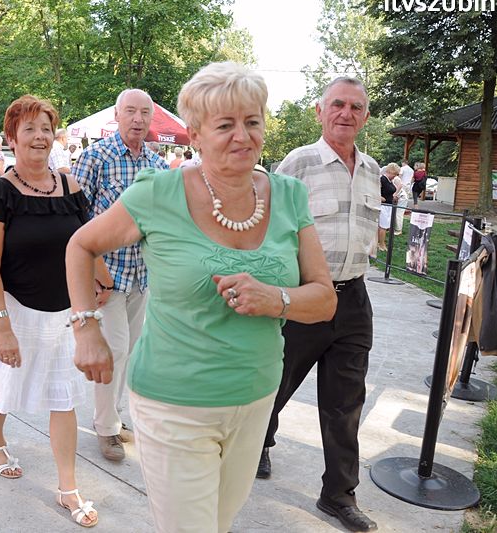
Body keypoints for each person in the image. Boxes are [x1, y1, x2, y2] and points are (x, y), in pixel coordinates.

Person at [66, 61, 337, 532]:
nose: (243, 136)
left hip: (255, 396)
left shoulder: (289, 194)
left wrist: (276, 299)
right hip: (174, 401)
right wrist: (86, 327)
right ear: (194, 134)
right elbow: (80, 244)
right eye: (225, 124)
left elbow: (325, 299)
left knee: (220, 522)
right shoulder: (158, 192)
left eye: (252, 122)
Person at [0, 96, 110, 527]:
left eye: (46, 128)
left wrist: (102, 278)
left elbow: (87, 241)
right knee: (0, 385)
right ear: (12, 138)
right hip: (13, 308)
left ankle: (67, 488)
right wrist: (2, 329)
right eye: (29, 129)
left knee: (63, 398)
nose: (39, 136)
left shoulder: (71, 187)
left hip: (64, 314)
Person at [256, 76, 380, 532]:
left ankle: (338, 496)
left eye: (356, 107)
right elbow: (269, 225)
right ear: (320, 111)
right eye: (338, 105)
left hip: (354, 301)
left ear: (365, 116)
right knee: (278, 382)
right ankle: (260, 442)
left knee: (345, 405)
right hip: (307, 295)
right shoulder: (299, 163)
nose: (346, 113)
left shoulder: (371, 169)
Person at [72, 88, 168, 461]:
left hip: (140, 278)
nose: (138, 119)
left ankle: (114, 417)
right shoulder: (96, 157)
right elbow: (75, 216)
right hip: (105, 279)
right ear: (117, 114)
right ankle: (106, 428)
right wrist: (91, 273)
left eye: (145, 113)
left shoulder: (158, 167)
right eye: (131, 111)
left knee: (129, 352)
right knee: (112, 349)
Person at [378, 162, 401, 252]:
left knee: (384, 226)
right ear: (390, 171)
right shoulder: (382, 179)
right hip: (383, 206)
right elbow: (375, 190)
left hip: (389, 205)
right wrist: (379, 197)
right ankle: (381, 244)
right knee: (383, 226)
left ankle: (379, 243)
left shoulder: (389, 180)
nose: (395, 176)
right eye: (395, 174)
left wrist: (394, 197)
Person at [395, 157, 413, 235]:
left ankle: (398, 229)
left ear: (403, 163)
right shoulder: (411, 170)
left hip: (401, 186)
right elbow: (412, 179)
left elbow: (400, 176)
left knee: (399, 211)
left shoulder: (402, 168)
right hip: (408, 186)